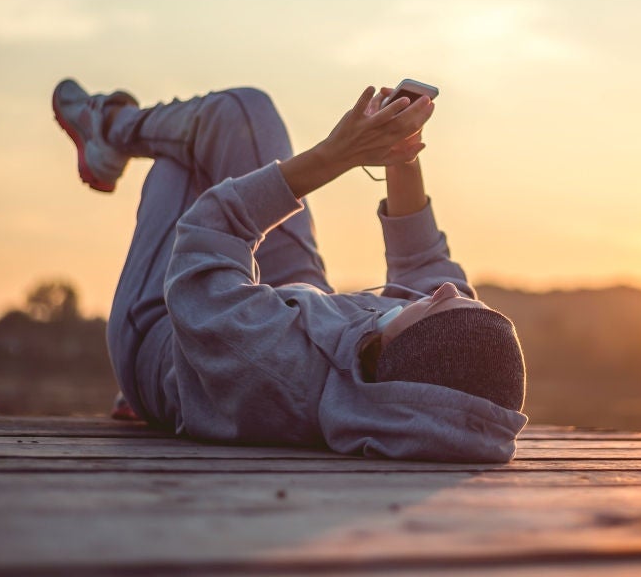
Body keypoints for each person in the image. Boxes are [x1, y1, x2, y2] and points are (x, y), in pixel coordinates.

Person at [52, 78, 527, 462]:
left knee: (201, 143)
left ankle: (108, 127)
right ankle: (111, 128)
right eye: (469, 305)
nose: (447, 290)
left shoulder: (273, 365)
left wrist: (338, 154)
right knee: (238, 117)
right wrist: (401, 149)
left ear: (400, 353)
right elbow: (424, 260)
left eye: (445, 306)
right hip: (297, 304)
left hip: (164, 333)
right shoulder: (403, 367)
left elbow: (209, 230)